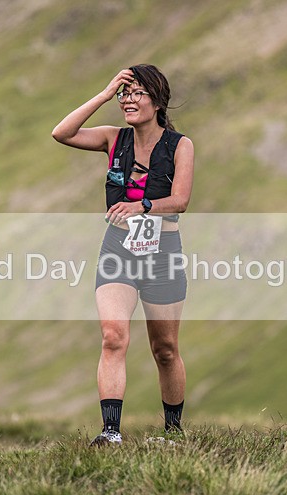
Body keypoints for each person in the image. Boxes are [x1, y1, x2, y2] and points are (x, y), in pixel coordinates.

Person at [52, 64, 194, 446]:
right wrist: (103, 92)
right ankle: (110, 432)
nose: (128, 100)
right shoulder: (112, 139)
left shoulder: (180, 145)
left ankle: (173, 433)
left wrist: (142, 205)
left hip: (163, 253)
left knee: (165, 350)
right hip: (118, 250)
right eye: (124, 94)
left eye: (137, 93)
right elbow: (61, 133)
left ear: (158, 100)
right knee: (113, 337)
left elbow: (180, 200)